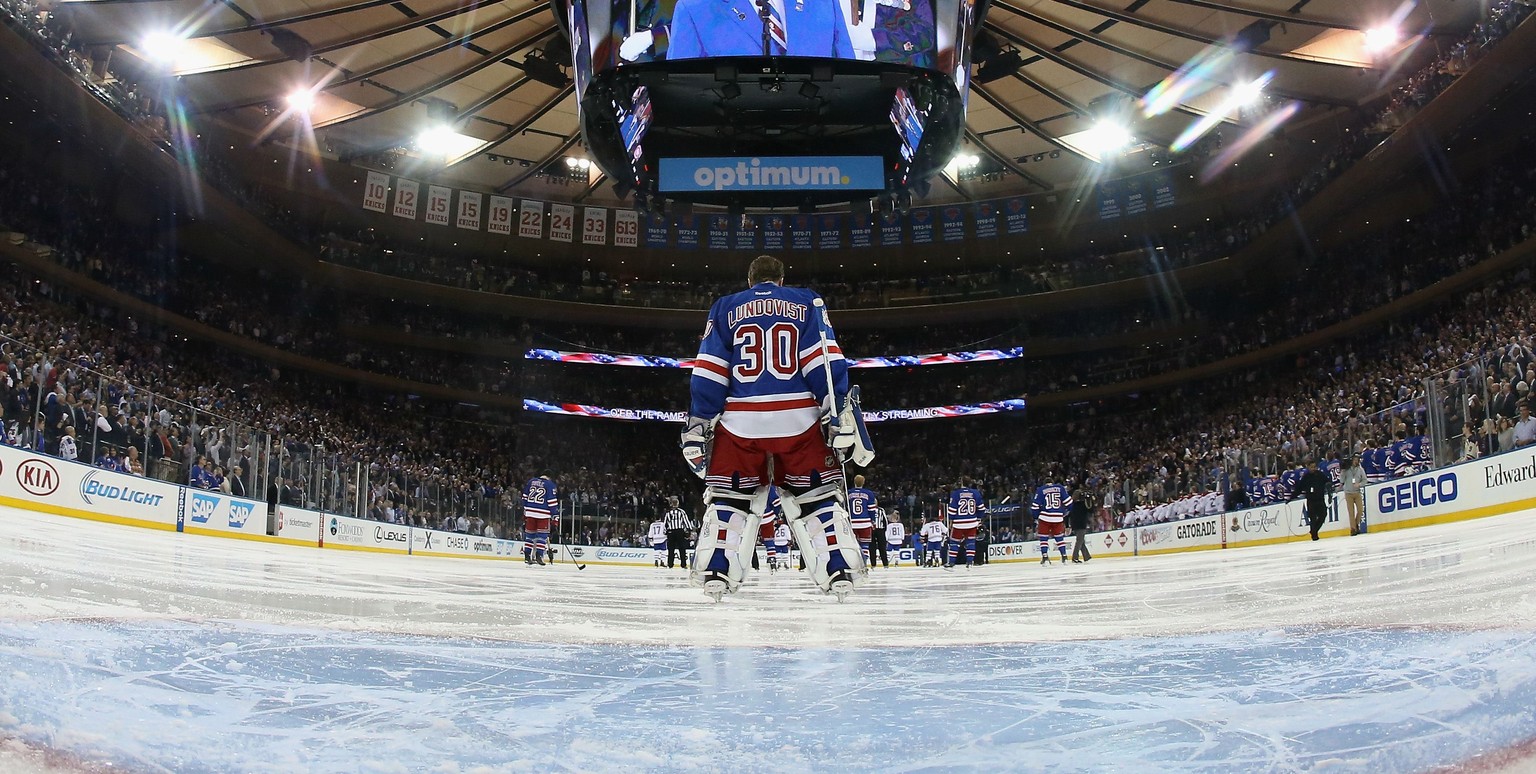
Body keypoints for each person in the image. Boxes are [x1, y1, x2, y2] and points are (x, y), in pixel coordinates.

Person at [680, 255, 870, 600]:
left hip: (741, 420)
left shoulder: (724, 307)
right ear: (781, 280)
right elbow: (823, 360)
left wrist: (699, 423)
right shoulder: (807, 300)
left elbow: (709, 369)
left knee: (730, 499)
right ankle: (838, 569)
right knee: (817, 499)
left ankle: (717, 571)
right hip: (798, 417)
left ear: (750, 280)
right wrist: (835, 412)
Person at [667, 0, 855, 59]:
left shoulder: (823, 2)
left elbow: (851, 81)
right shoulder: (695, 8)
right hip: (731, 144)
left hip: (819, 142)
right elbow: (676, 90)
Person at [1031, 474, 1072, 565]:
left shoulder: (1041, 489)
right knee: (1059, 538)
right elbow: (1069, 502)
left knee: (1044, 538)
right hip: (1057, 517)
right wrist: (1066, 512)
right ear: (1052, 483)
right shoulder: (1060, 488)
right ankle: (1064, 557)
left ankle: (1045, 557)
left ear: (1045, 484)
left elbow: (1035, 506)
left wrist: (1036, 517)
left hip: (1045, 517)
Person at [521, 470, 559, 565]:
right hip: (543, 514)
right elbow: (552, 502)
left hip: (530, 512)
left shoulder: (531, 481)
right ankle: (539, 556)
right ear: (549, 477)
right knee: (542, 536)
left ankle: (527, 556)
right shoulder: (550, 484)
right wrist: (555, 517)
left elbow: (524, 498)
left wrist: (525, 512)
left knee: (529, 535)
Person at [945, 479, 983, 568]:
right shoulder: (975, 493)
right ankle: (970, 562)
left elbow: (952, 510)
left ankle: (951, 562)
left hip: (958, 523)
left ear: (962, 483)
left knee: (954, 543)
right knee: (971, 543)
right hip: (972, 522)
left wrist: (951, 520)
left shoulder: (956, 493)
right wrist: (978, 519)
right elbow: (981, 508)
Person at [1298, 461, 1332, 541]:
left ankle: (1314, 530)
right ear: (1308, 467)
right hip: (1311, 500)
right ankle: (1314, 536)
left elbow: (1327, 481)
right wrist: (1291, 498)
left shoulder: (1320, 474)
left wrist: (1329, 488)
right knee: (1312, 518)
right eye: (1311, 467)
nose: (1313, 469)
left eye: (1314, 467)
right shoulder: (1306, 477)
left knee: (1323, 515)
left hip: (1320, 499)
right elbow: (1299, 488)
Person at [847, 474, 877, 566]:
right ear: (863, 482)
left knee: (853, 545)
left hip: (852, 523)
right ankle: (864, 564)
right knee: (865, 545)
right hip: (865, 523)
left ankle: (853, 564)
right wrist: (873, 521)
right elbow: (872, 509)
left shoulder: (848, 493)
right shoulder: (868, 493)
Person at [663, 495, 694, 569]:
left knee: (671, 549)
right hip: (679, 531)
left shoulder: (668, 513)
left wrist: (665, 532)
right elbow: (686, 521)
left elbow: (665, 524)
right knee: (682, 548)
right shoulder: (681, 512)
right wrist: (689, 530)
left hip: (671, 532)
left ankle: (670, 564)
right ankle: (683, 564)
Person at [1341, 453, 1366, 536]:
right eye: (1355, 459)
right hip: (1348, 493)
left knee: (1360, 510)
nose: (1356, 461)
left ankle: (1355, 524)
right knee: (1351, 512)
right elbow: (1342, 480)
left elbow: (1365, 480)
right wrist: (1343, 470)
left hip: (1357, 492)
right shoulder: (1347, 469)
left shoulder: (1360, 469)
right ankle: (1353, 529)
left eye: (1357, 459)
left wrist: (1359, 484)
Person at [1068, 490, 1092, 564]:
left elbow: (1068, 515)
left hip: (1075, 525)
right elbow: (1090, 510)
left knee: (1081, 541)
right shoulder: (1082, 504)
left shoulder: (1072, 505)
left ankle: (1086, 556)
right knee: (1080, 541)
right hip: (1081, 524)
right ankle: (1075, 557)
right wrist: (1088, 499)